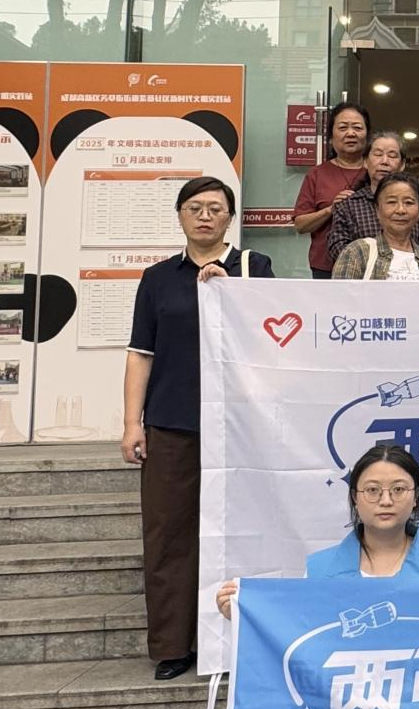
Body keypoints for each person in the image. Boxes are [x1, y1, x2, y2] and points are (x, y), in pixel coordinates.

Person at [122, 176, 275, 680]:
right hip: (172, 421)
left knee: (245, 528)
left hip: (241, 425)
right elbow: (141, 354)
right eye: (194, 207)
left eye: (215, 208)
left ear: (230, 217)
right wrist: (132, 422)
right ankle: (173, 645)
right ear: (180, 215)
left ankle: (241, 639)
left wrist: (230, 291)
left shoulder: (254, 268)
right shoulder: (158, 278)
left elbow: (274, 337)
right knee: (169, 532)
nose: (205, 216)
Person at [217, 445, 419, 619]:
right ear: (355, 498)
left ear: (416, 496)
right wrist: (243, 613)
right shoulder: (320, 570)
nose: (386, 500)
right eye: (373, 490)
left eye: (398, 489)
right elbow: (294, 628)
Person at [326, 131, 419, 267]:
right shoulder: (348, 205)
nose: (385, 161)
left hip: (411, 276)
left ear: (402, 164)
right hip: (364, 277)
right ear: (366, 161)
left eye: (392, 156)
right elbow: (338, 250)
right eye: (378, 154)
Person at [293, 102, 370, 278]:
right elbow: (300, 225)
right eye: (343, 127)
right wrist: (330, 210)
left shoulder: (377, 173)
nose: (351, 133)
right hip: (326, 265)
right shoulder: (317, 174)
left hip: (372, 264)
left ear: (367, 134)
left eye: (357, 127)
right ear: (331, 136)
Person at [331, 173, 419, 280]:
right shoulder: (357, 252)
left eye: (409, 202)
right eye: (391, 202)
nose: (401, 210)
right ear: (377, 210)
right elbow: (340, 294)